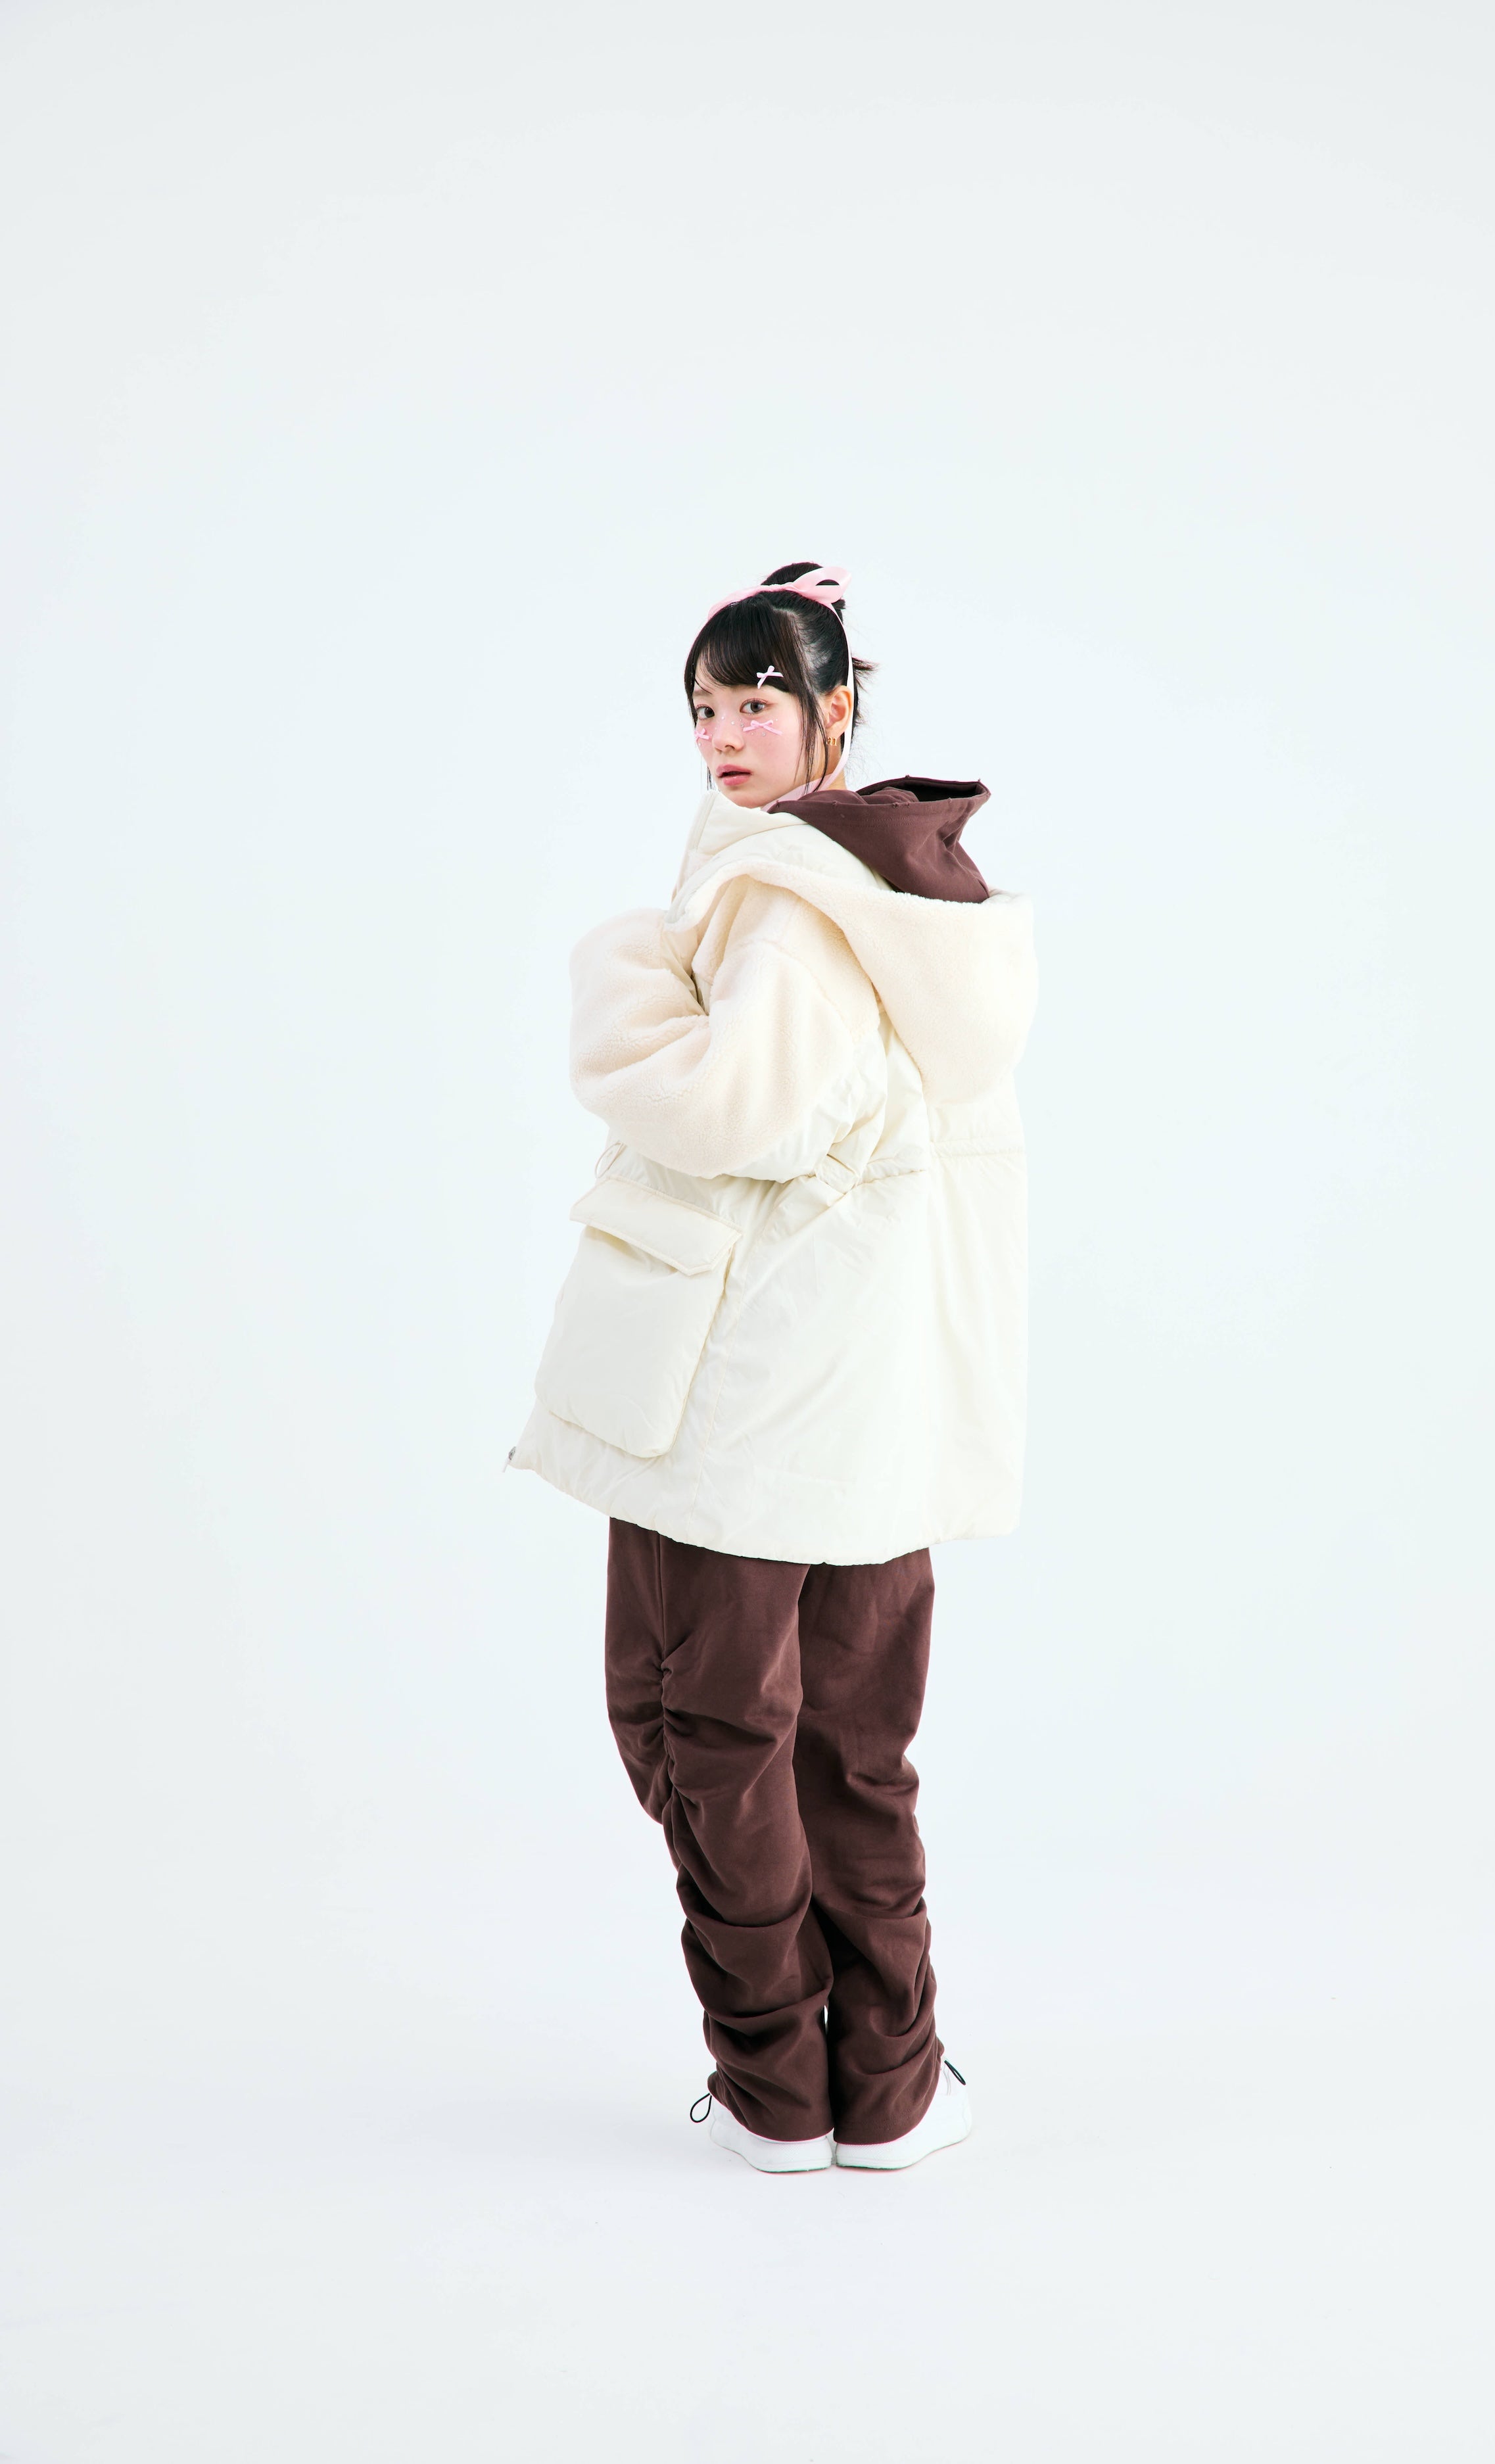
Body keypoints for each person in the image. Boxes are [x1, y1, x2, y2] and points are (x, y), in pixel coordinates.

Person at [510, 562, 1035, 2171]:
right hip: (869, 1398)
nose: (722, 736)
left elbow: (743, 1107)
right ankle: (889, 2086)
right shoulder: (895, 891)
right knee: (848, 1745)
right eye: (702, 705)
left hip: (738, 1389)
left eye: (754, 702)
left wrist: (624, 963)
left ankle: (776, 2091)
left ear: (835, 708)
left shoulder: (782, 894)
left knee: (701, 1729)